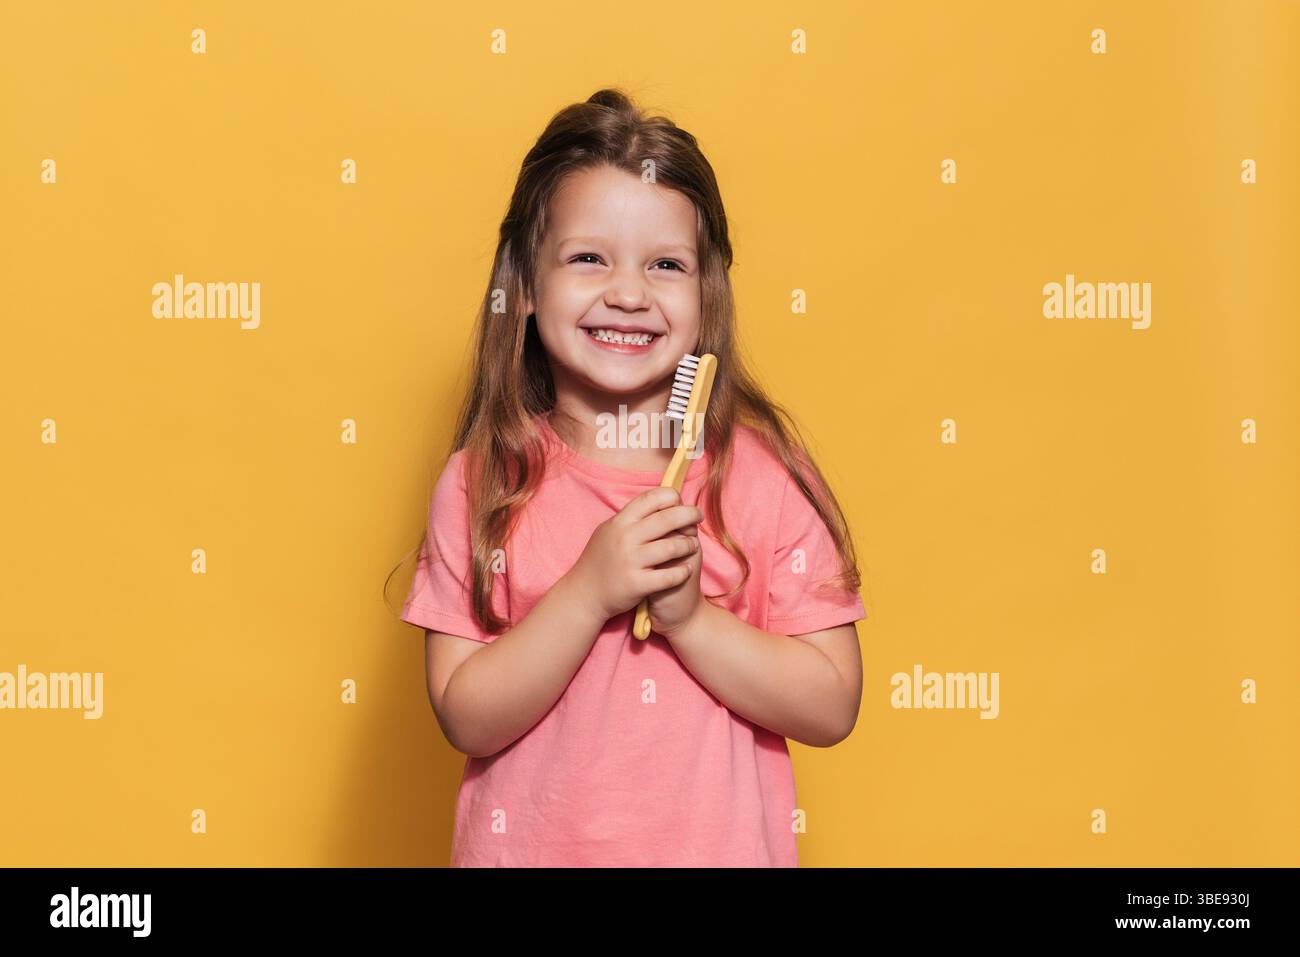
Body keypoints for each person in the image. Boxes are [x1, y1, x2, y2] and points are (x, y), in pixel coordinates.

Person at [397, 88, 867, 866]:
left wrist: (691, 618)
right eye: (589, 257)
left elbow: (832, 702)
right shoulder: (483, 480)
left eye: (666, 264)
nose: (628, 292)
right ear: (522, 284)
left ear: (706, 292)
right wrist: (589, 589)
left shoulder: (762, 477)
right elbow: (464, 714)